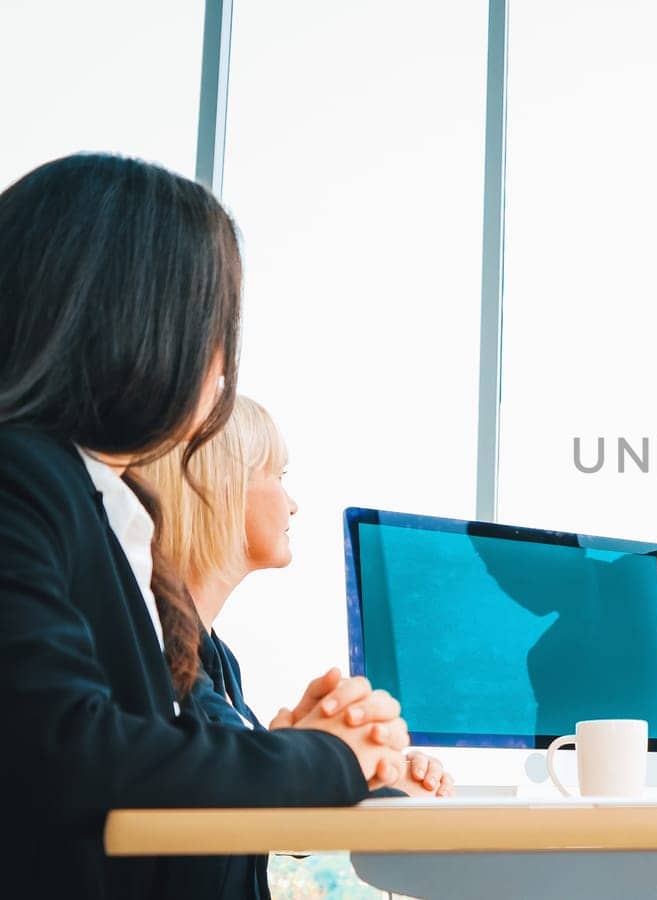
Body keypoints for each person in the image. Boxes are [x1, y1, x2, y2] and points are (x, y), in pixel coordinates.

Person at [0, 154, 409, 899]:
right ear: (138, 323)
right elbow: (66, 752)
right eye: (213, 328)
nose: (220, 369)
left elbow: (129, 785)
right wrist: (322, 759)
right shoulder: (23, 479)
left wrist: (284, 751)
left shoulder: (103, 509)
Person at [135, 395, 454, 800]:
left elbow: (245, 802)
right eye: (279, 475)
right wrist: (317, 755)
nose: (293, 505)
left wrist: (372, 776)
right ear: (218, 485)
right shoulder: (159, 652)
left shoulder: (218, 660)